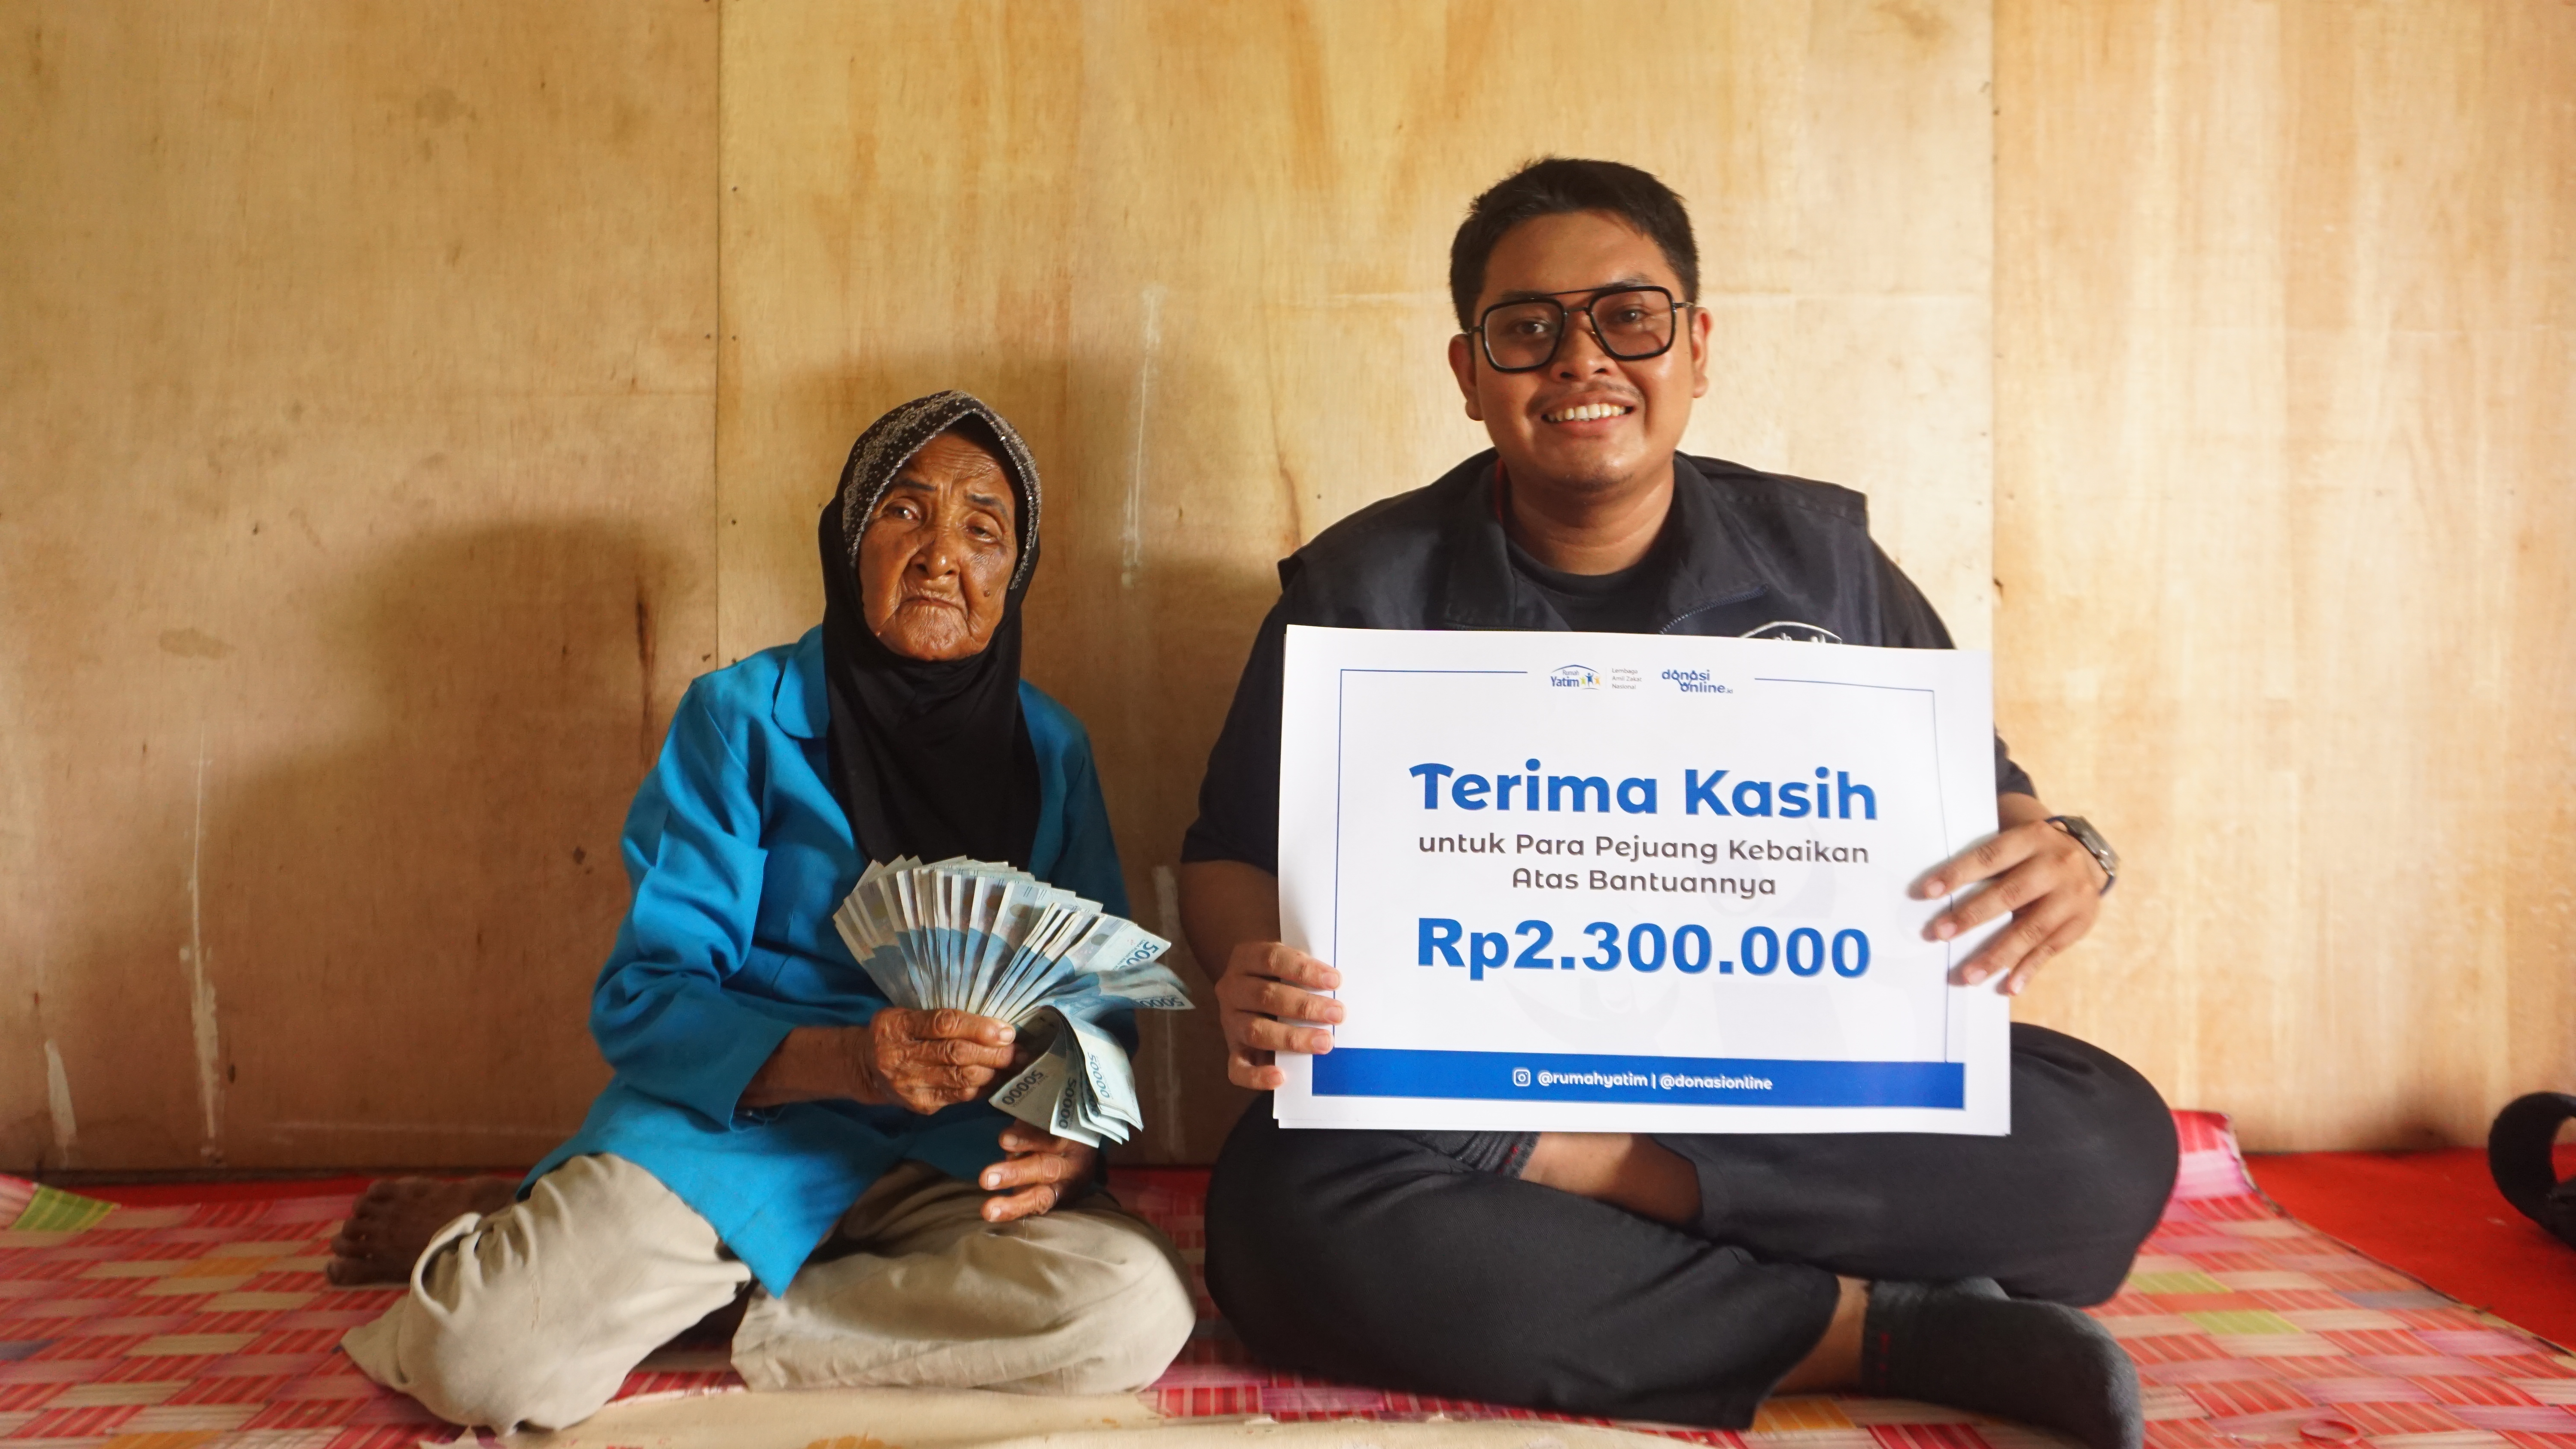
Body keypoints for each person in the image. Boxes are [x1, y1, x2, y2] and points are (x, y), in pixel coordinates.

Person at [1179, 160, 2175, 1449]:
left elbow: (1995, 814)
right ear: (1470, 372)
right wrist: (1253, 966)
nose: (1581, 359)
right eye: (1527, 328)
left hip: (1758, 1092)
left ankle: (1592, 1179)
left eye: (1628, 317)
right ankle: (1894, 1329)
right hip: (1478, 1087)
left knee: (2107, 1146)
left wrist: (2067, 855)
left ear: (1697, 347)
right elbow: (1225, 854)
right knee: (1280, 1217)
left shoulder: (1828, 565)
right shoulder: (1357, 590)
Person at [336, 391, 1194, 1431]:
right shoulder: (738, 718)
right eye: (905, 512)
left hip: (954, 1159)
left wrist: (1073, 1137)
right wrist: (853, 1061)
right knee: (477, 1355)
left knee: (1133, 1308)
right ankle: (535, 1243)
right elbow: (647, 996)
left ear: (1016, 573)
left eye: (983, 529)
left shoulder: (1051, 748)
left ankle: (738, 1309)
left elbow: (1099, 1003)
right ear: (848, 541)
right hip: (736, 1139)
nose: (941, 556)